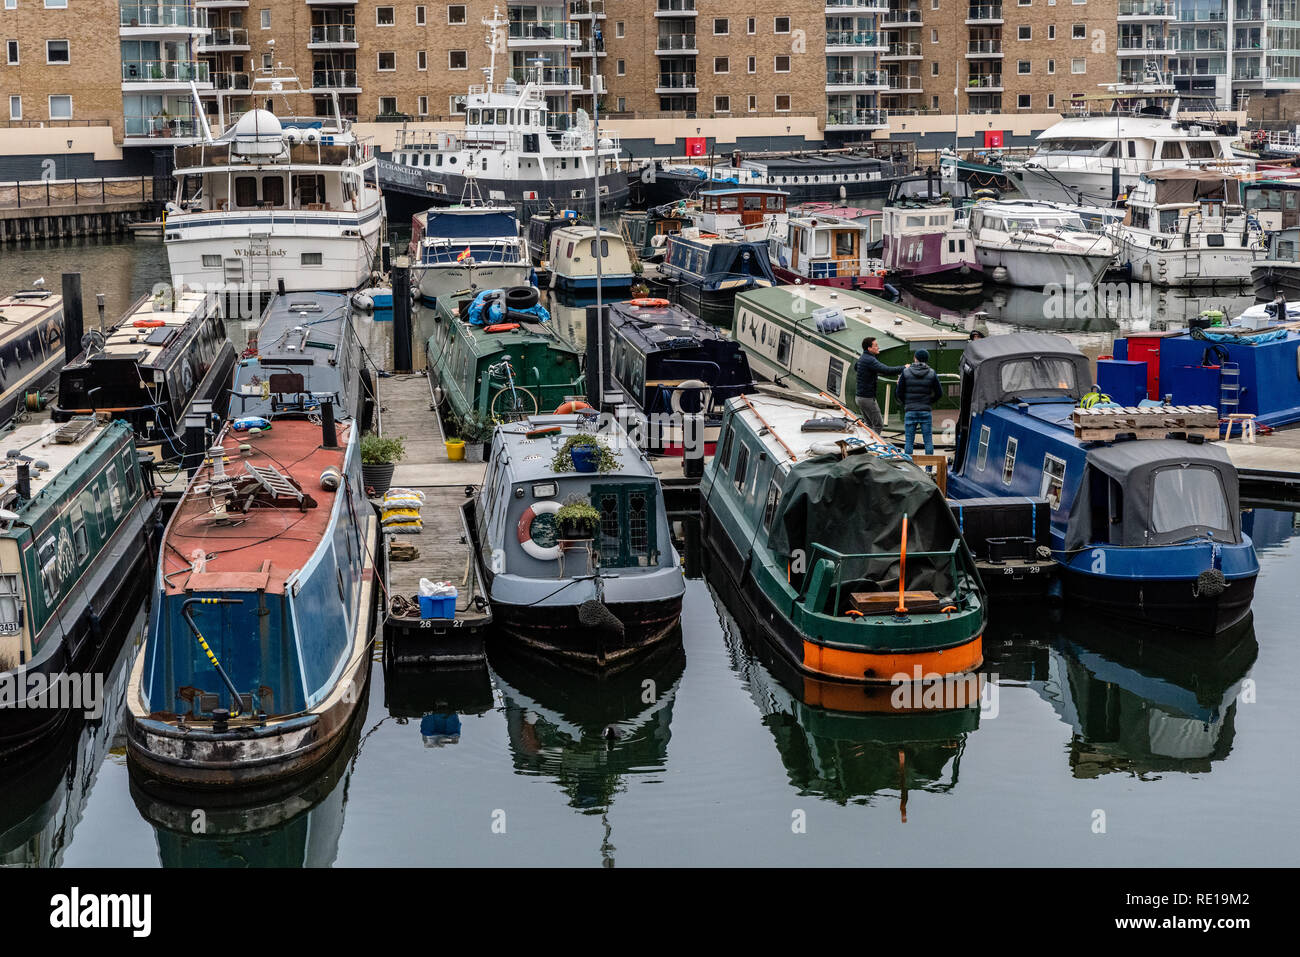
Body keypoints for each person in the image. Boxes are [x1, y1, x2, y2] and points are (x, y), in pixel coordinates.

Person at [896, 348, 943, 456]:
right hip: (925, 410)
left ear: (915, 358)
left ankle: (910, 468)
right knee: (928, 441)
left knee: (909, 441)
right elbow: (939, 393)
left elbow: (899, 392)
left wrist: (907, 403)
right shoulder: (931, 373)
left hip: (910, 410)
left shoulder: (906, 372)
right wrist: (929, 402)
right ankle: (929, 470)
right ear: (926, 359)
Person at [853, 337, 905, 432]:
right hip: (867, 398)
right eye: (876, 345)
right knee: (878, 425)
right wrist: (904, 367)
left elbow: (856, 367)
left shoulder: (863, 357)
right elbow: (887, 370)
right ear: (869, 348)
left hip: (859, 397)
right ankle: (873, 445)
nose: (878, 347)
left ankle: (866, 443)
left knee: (869, 425)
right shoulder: (870, 360)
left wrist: (873, 372)